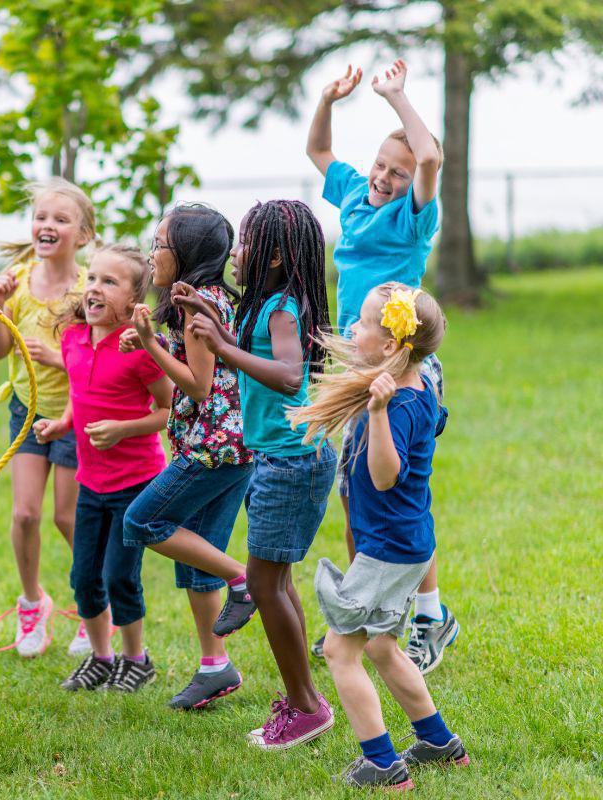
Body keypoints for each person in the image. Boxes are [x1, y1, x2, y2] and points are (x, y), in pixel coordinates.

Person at [306, 59, 458, 673]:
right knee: (355, 493)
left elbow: (430, 160)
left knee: (402, 500)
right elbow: (318, 149)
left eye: (397, 172)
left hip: (399, 367)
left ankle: (429, 617)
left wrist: (397, 98)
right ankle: (363, 611)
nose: (386, 178)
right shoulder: (352, 193)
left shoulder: (413, 217)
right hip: (356, 365)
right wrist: (327, 99)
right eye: (381, 166)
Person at [288, 284, 468, 789]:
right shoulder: (412, 389)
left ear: (391, 346)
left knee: (341, 652)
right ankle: (438, 742)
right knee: (383, 647)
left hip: (390, 549)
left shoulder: (401, 404)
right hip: (402, 544)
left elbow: (387, 474)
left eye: (364, 324)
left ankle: (383, 765)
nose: (353, 331)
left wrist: (376, 413)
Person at [183, 200, 337, 750]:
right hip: (280, 458)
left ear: (272, 255)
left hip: (291, 463)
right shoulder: (267, 303)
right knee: (277, 581)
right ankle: (305, 698)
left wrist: (221, 345)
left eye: (245, 242)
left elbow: (290, 375)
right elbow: (254, 354)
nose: (236, 252)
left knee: (267, 585)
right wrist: (209, 311)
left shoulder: (283, 308)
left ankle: (304, 706)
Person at [120, 204, 256, 710]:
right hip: (233, 447)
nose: (152, 253)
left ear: (188, 253)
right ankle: (214, 666)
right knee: (198, 562)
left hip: (212, 449)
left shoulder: (197, 308)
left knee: (142, 521)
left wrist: (153, 348)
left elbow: (199, 387)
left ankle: (245, 580)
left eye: (160, 244)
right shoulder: (206, 299)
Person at [33, 245, 171, 692]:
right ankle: (101, 657)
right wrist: (61, 425)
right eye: (92, 278)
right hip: (90, 482)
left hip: (136, 483)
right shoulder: (73, 337)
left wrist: (123, 430)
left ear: (133, 303)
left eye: (109, 282)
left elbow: (170, 409)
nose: (94, 288)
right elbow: (80, 393)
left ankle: (137, 659)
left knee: (118, 576)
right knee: (84, 577)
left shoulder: (139, 348)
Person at [0, 178, 97, 658]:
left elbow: (100, 356)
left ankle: (96, 610)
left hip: (75, 413)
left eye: (60, 219)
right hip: (25, 412)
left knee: (67, 518)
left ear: (83, 235)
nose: (46, 225)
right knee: (25, 513)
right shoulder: (18, 279)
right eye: (41, 217)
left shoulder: (90, 285)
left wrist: (56, 359)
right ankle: (33, 604)